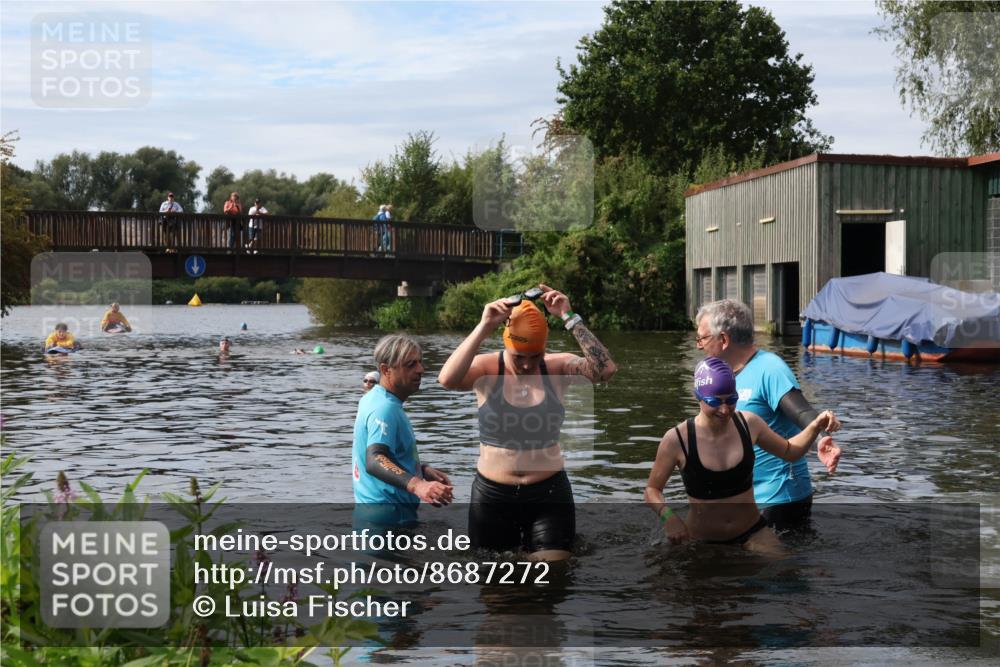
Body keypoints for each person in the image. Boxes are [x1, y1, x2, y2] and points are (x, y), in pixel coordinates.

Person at [438, 284, 617, 560]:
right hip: (493, 496)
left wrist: (569, 317)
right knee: (497, 588)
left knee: (551, 578)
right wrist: (484, 326)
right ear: (506, 343)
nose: (527, 365)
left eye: (535, 356)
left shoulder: (557, 367)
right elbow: (447, 379)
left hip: (548, 494)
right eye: (519, 357)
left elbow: (604, 371)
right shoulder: (488, 368)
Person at [644, 357, 839, 553]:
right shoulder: (677, 439)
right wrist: (668, 516)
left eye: (731, 400)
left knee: (787, 572)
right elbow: (652, 489)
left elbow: (789, 451)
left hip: (752, 532)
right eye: (715, 402)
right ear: (699, 397)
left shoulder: (749, 424)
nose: (724, 409)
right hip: (701, 540)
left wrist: (815, 426)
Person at [695, 299, 843, 532]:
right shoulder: (721, 378)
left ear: (723, 339)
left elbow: (802, 412)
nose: (699, 346)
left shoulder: (769, 369)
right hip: (746, 497)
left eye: (702, 338)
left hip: (780, 498)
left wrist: (822, 439)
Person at [352, 334, 452, 527]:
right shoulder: (384, 408)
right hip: (388, 520)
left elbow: (386, 454)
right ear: (385, 370)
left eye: (420, 362)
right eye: (410, 365)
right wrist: (419, 485)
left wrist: (421, 470)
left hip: (377, 516)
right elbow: (374, 459)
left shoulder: (375, 399)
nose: (421, 370)